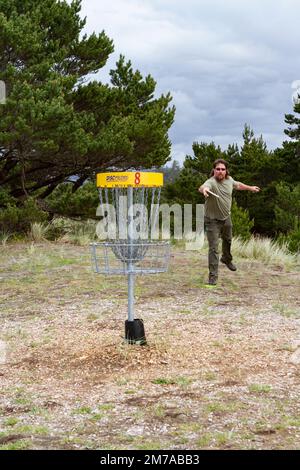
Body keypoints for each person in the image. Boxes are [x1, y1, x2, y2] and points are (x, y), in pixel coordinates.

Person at [198, 159, 260, 285]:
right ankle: (213, 277)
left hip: (226, 218)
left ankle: (226, 259)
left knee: (228, 240)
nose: (220, 171)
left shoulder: (229, 180)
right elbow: (203, 187)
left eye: (222, 169)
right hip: (212, 220)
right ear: (214, 170)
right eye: (218, 169)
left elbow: (238, 185)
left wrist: (250, 188)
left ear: (226, 171)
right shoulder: (211, 182)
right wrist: (204, 190)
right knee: (214, 248)